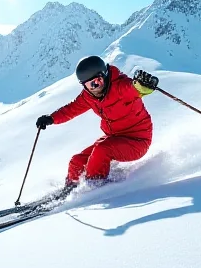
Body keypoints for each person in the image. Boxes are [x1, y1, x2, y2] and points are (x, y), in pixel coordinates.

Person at [35, 55, 159, 190]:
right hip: (114, 138)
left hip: (137, 141)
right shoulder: (89, 96)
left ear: (105, 75)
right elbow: (72, 108)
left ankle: (93, 188)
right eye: (90, 85)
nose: (95, 87)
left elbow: (136, 89)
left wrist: (144, 84)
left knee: (102, 149)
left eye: (98, 81)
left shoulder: (120, 87)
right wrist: (51, 118)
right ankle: (70, 189)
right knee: (77, 161)